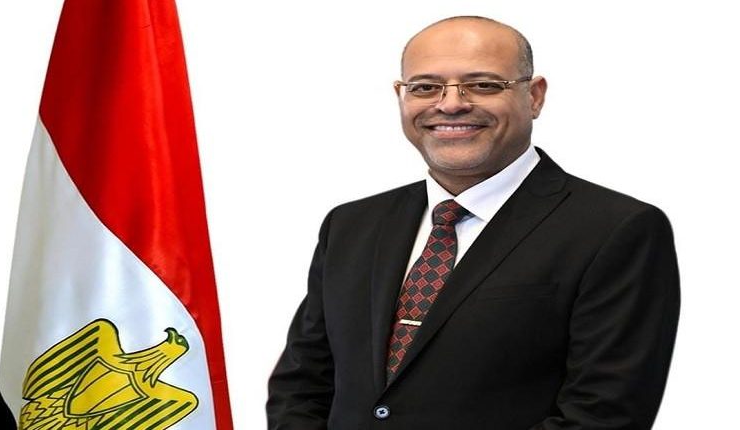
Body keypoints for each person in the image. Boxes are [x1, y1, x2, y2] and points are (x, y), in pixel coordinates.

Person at [267, 16, 679, 429]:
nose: (450, 104)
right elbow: (302, 387)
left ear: (534, 96)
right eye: (425, 87)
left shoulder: (616, 230)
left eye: (482, 84)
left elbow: (601, 416)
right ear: (401, 96)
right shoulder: (351, 225)